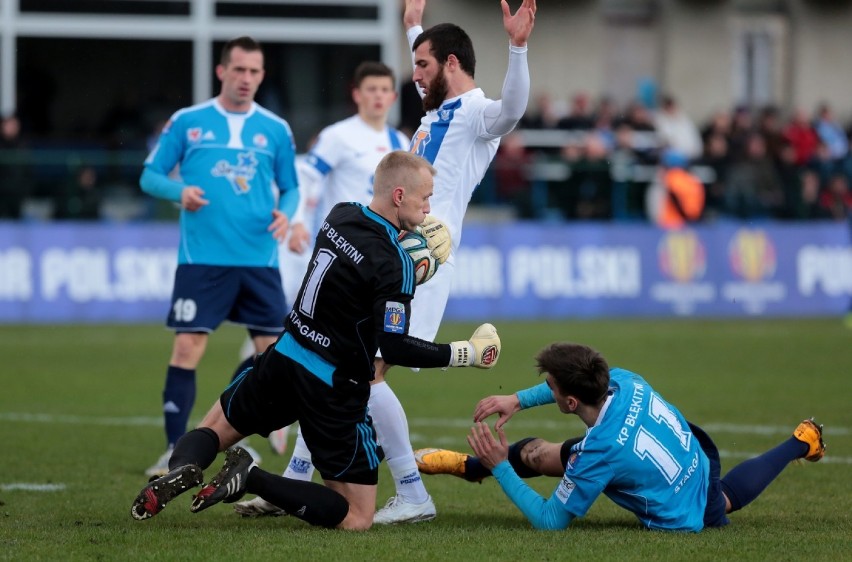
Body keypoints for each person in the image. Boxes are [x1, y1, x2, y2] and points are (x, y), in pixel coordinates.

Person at [246, 0, 535, 526]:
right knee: (340, 369)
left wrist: (517, 47)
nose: (414, 75)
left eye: (423, 65)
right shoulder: (435, 114)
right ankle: (295, 481)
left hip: (420, 267)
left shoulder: (474, 115)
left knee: (368, 372)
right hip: (387, 259)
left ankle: (411, 491)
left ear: (451, 64)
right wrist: (412, 28)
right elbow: (431, 69)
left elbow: (512, 111)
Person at [129, 151, 502, 531]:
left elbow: (355, 270)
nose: (429, 207)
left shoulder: (340, 215)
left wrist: (399, 243)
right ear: (400, 196)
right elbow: (394, 347)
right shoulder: (395, 264)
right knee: (357, 516)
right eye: (425, 198)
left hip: (285, 356)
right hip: (331, 386)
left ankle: (181, 468)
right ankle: (251, 478)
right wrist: (465, 353)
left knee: (215, 428)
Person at [231, 60, 411, 513]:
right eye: (369, 88)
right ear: (357, 93)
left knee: (344, 370)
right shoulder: (337, 135)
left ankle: (287, 468)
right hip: (331, 264)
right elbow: (308, 179)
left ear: (392, 96)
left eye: (384, 89)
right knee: (340, 367)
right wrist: (294, 222)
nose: (377, 96)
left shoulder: (400, 143)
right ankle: (264, 416)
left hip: (369, 276)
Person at [415, 341, 827, 532]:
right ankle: (466, 467)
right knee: (542, 455)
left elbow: (550, 521)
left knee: (721, 500)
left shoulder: (598, 452)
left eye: (552, 389)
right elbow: (574, 399)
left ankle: (802, 441)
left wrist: (502, 468)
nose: (550, 392)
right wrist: (519, 400)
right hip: (683, 450)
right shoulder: (622, 380)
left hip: (682, 499)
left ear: (572, 402)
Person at [139, 36, 299, 477]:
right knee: (188, 347)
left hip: (259, 260)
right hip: (202, 261)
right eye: (239, 70)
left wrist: (286, 216)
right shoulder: (188, 122)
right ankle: (175, 451)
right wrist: (179, 191)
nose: (246, 79)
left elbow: (292, 188)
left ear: (262, 76)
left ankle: (237, 438)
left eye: (255, 72)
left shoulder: (275, 129)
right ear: (222, 71)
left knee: (276, 359)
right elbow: (150, 176)